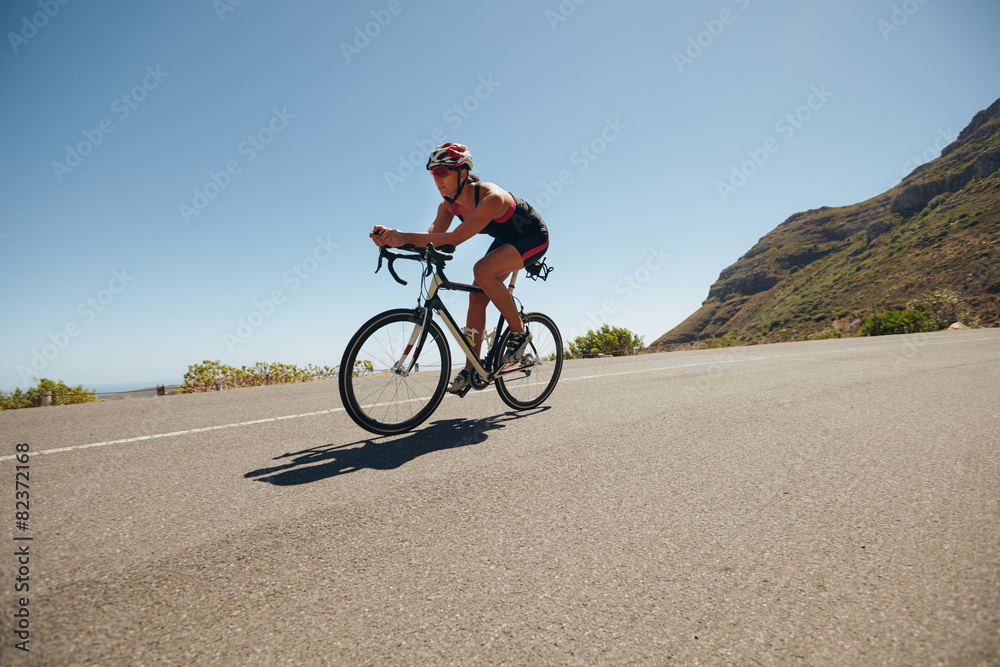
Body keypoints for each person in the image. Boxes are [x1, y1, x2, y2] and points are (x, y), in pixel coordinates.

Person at [371, 142, 550, 394]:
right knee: (477, 298)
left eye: (443, 172)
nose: (437, 179)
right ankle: (471, 368)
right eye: (434, 173)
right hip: (506, 241)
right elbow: (434, 235)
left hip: (533, 237)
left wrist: (403, 236)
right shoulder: (448, 205)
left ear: (462, 173)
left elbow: (455, 238)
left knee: (482, 270)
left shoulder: (490, 197)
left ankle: (520, 333)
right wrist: (393, 240)